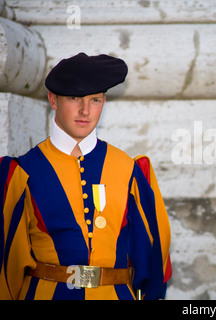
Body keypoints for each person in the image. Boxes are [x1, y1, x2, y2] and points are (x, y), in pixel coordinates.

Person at [0, 53, 171, 300]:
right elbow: (7, 265)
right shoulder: (22, 172)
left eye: (95, 100)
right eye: (74, 98)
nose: (85, 111)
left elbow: (154, 257)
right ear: (53, 100)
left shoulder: (128, 169)